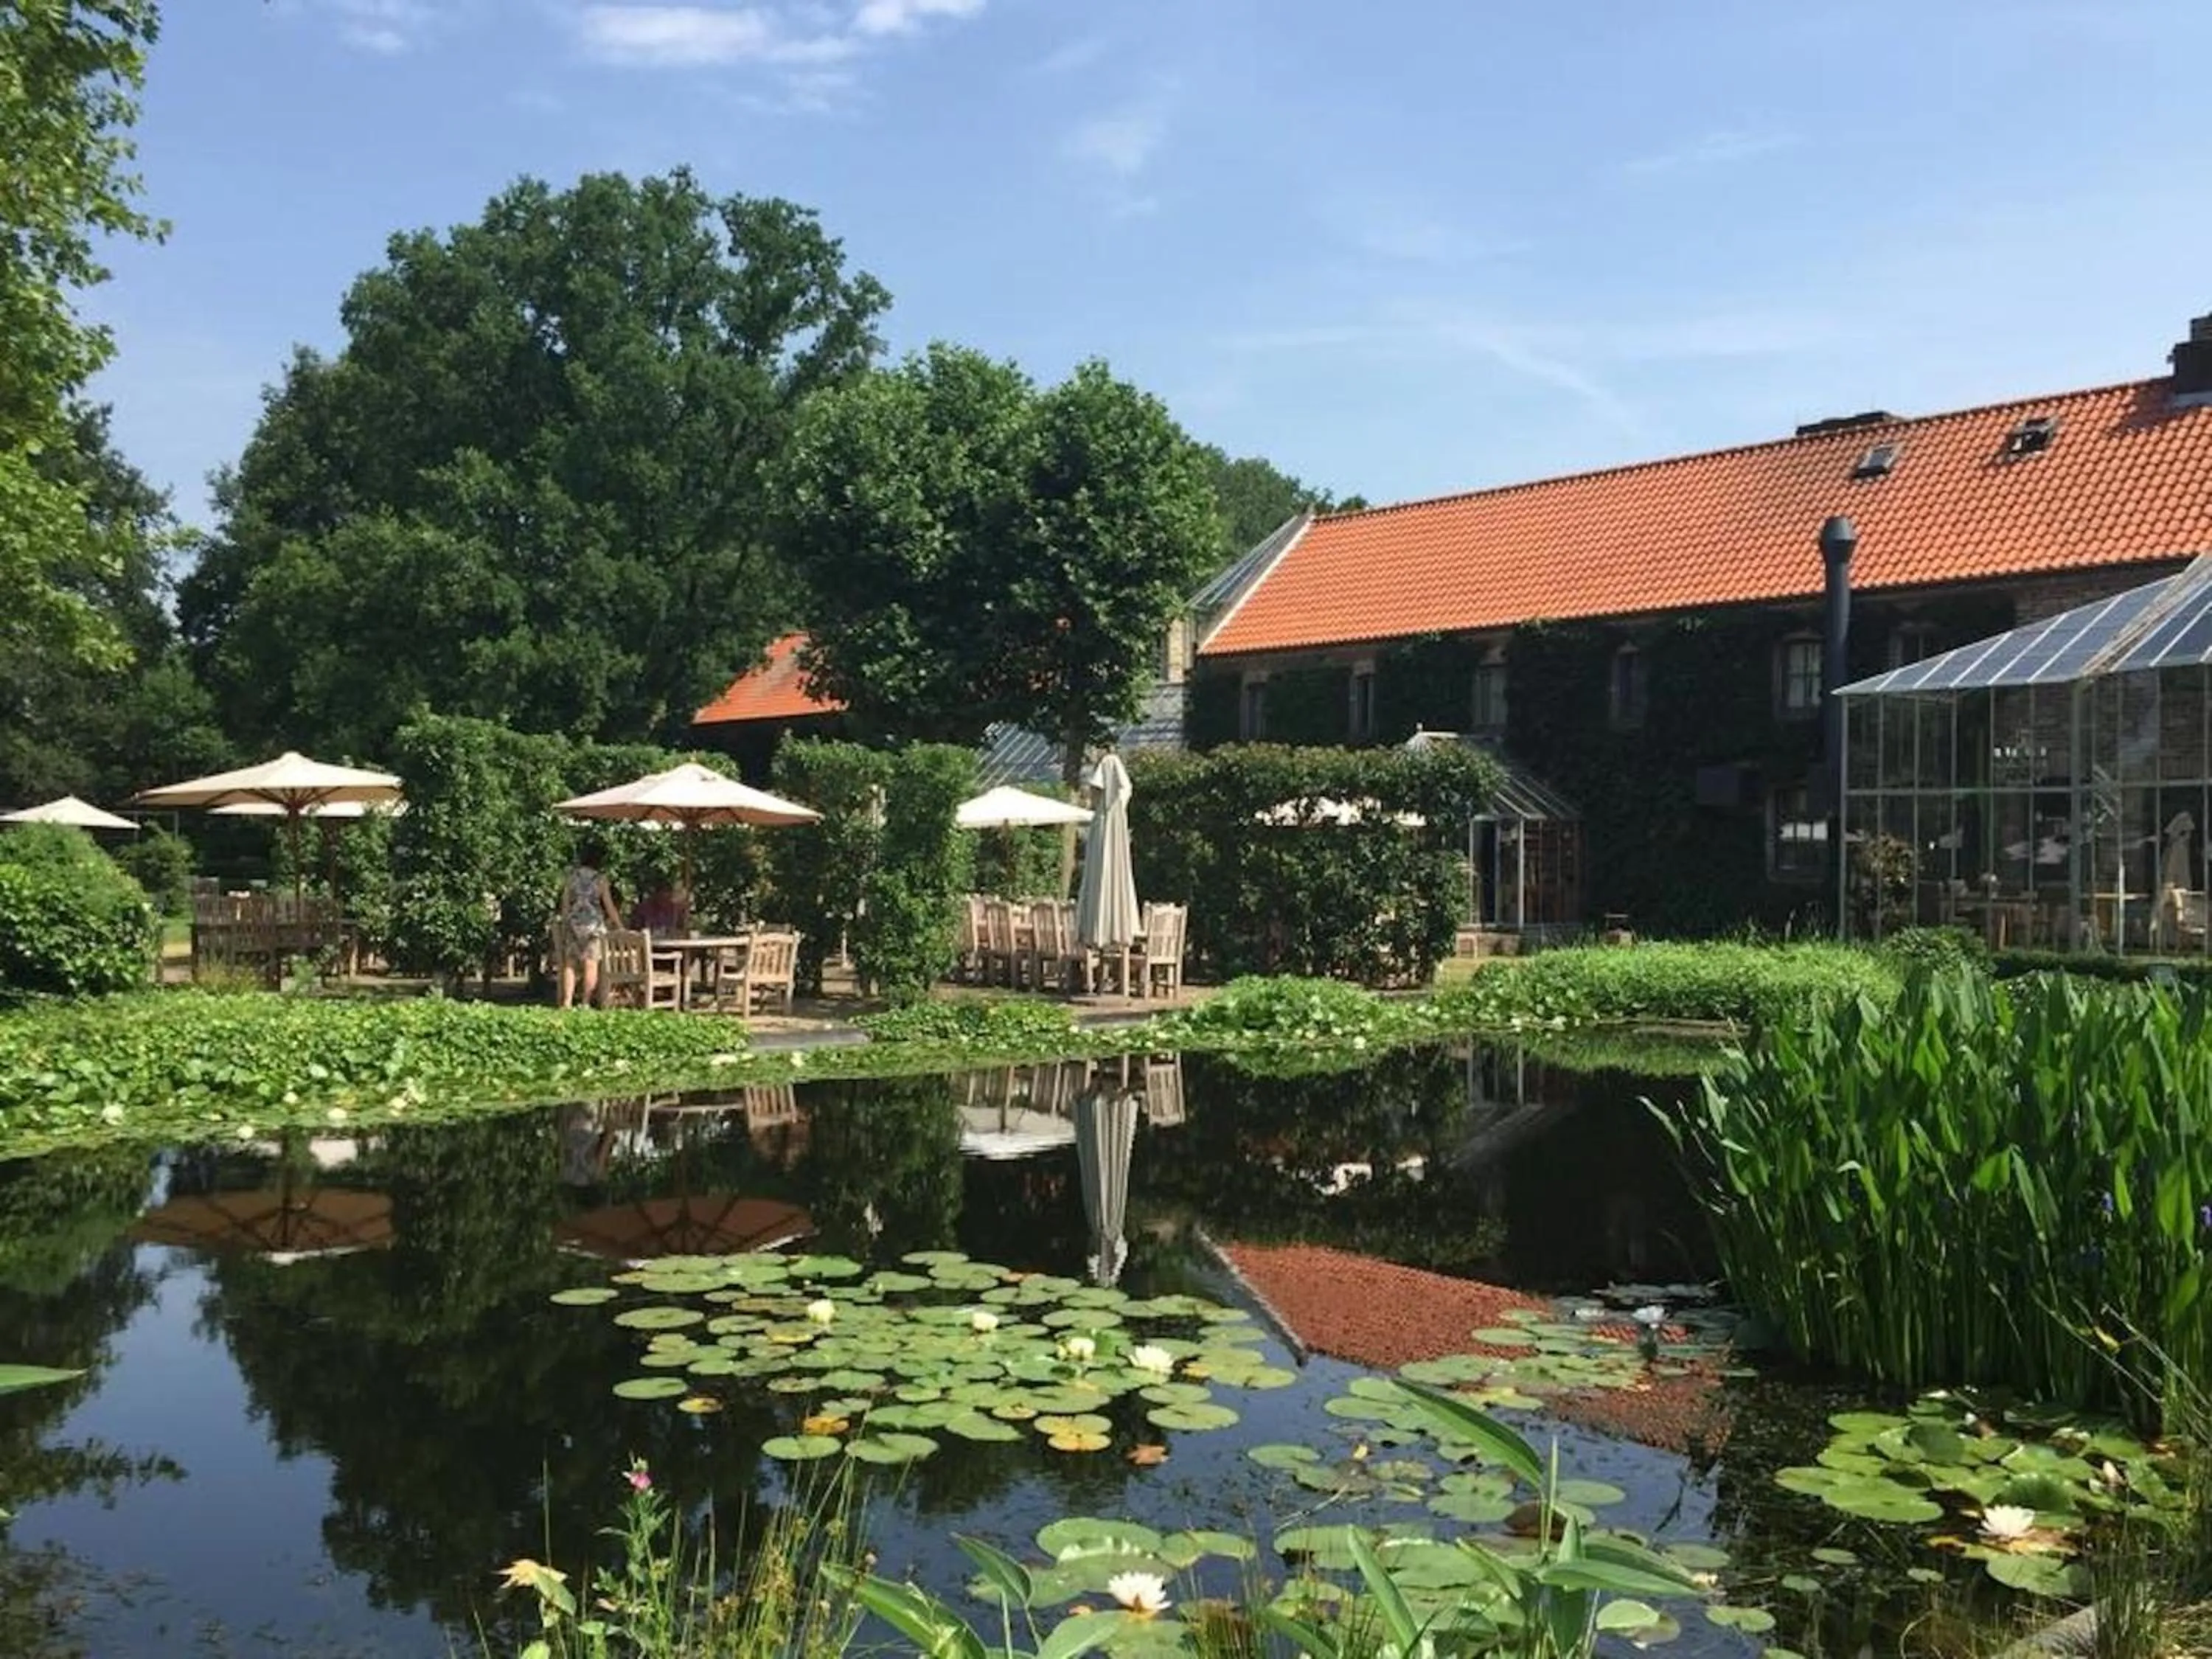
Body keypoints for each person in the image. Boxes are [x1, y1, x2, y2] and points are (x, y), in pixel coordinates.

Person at [554, 844, 622, 1009]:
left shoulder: (571, 877)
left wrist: (565, 923)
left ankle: (567, 1001)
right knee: (591, 964)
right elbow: (609, 905)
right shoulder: (600, 879)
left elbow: (565, 904)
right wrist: (619, 925)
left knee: (570, 963)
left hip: (574, 924)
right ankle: (585, 1002)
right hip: (593, 926)